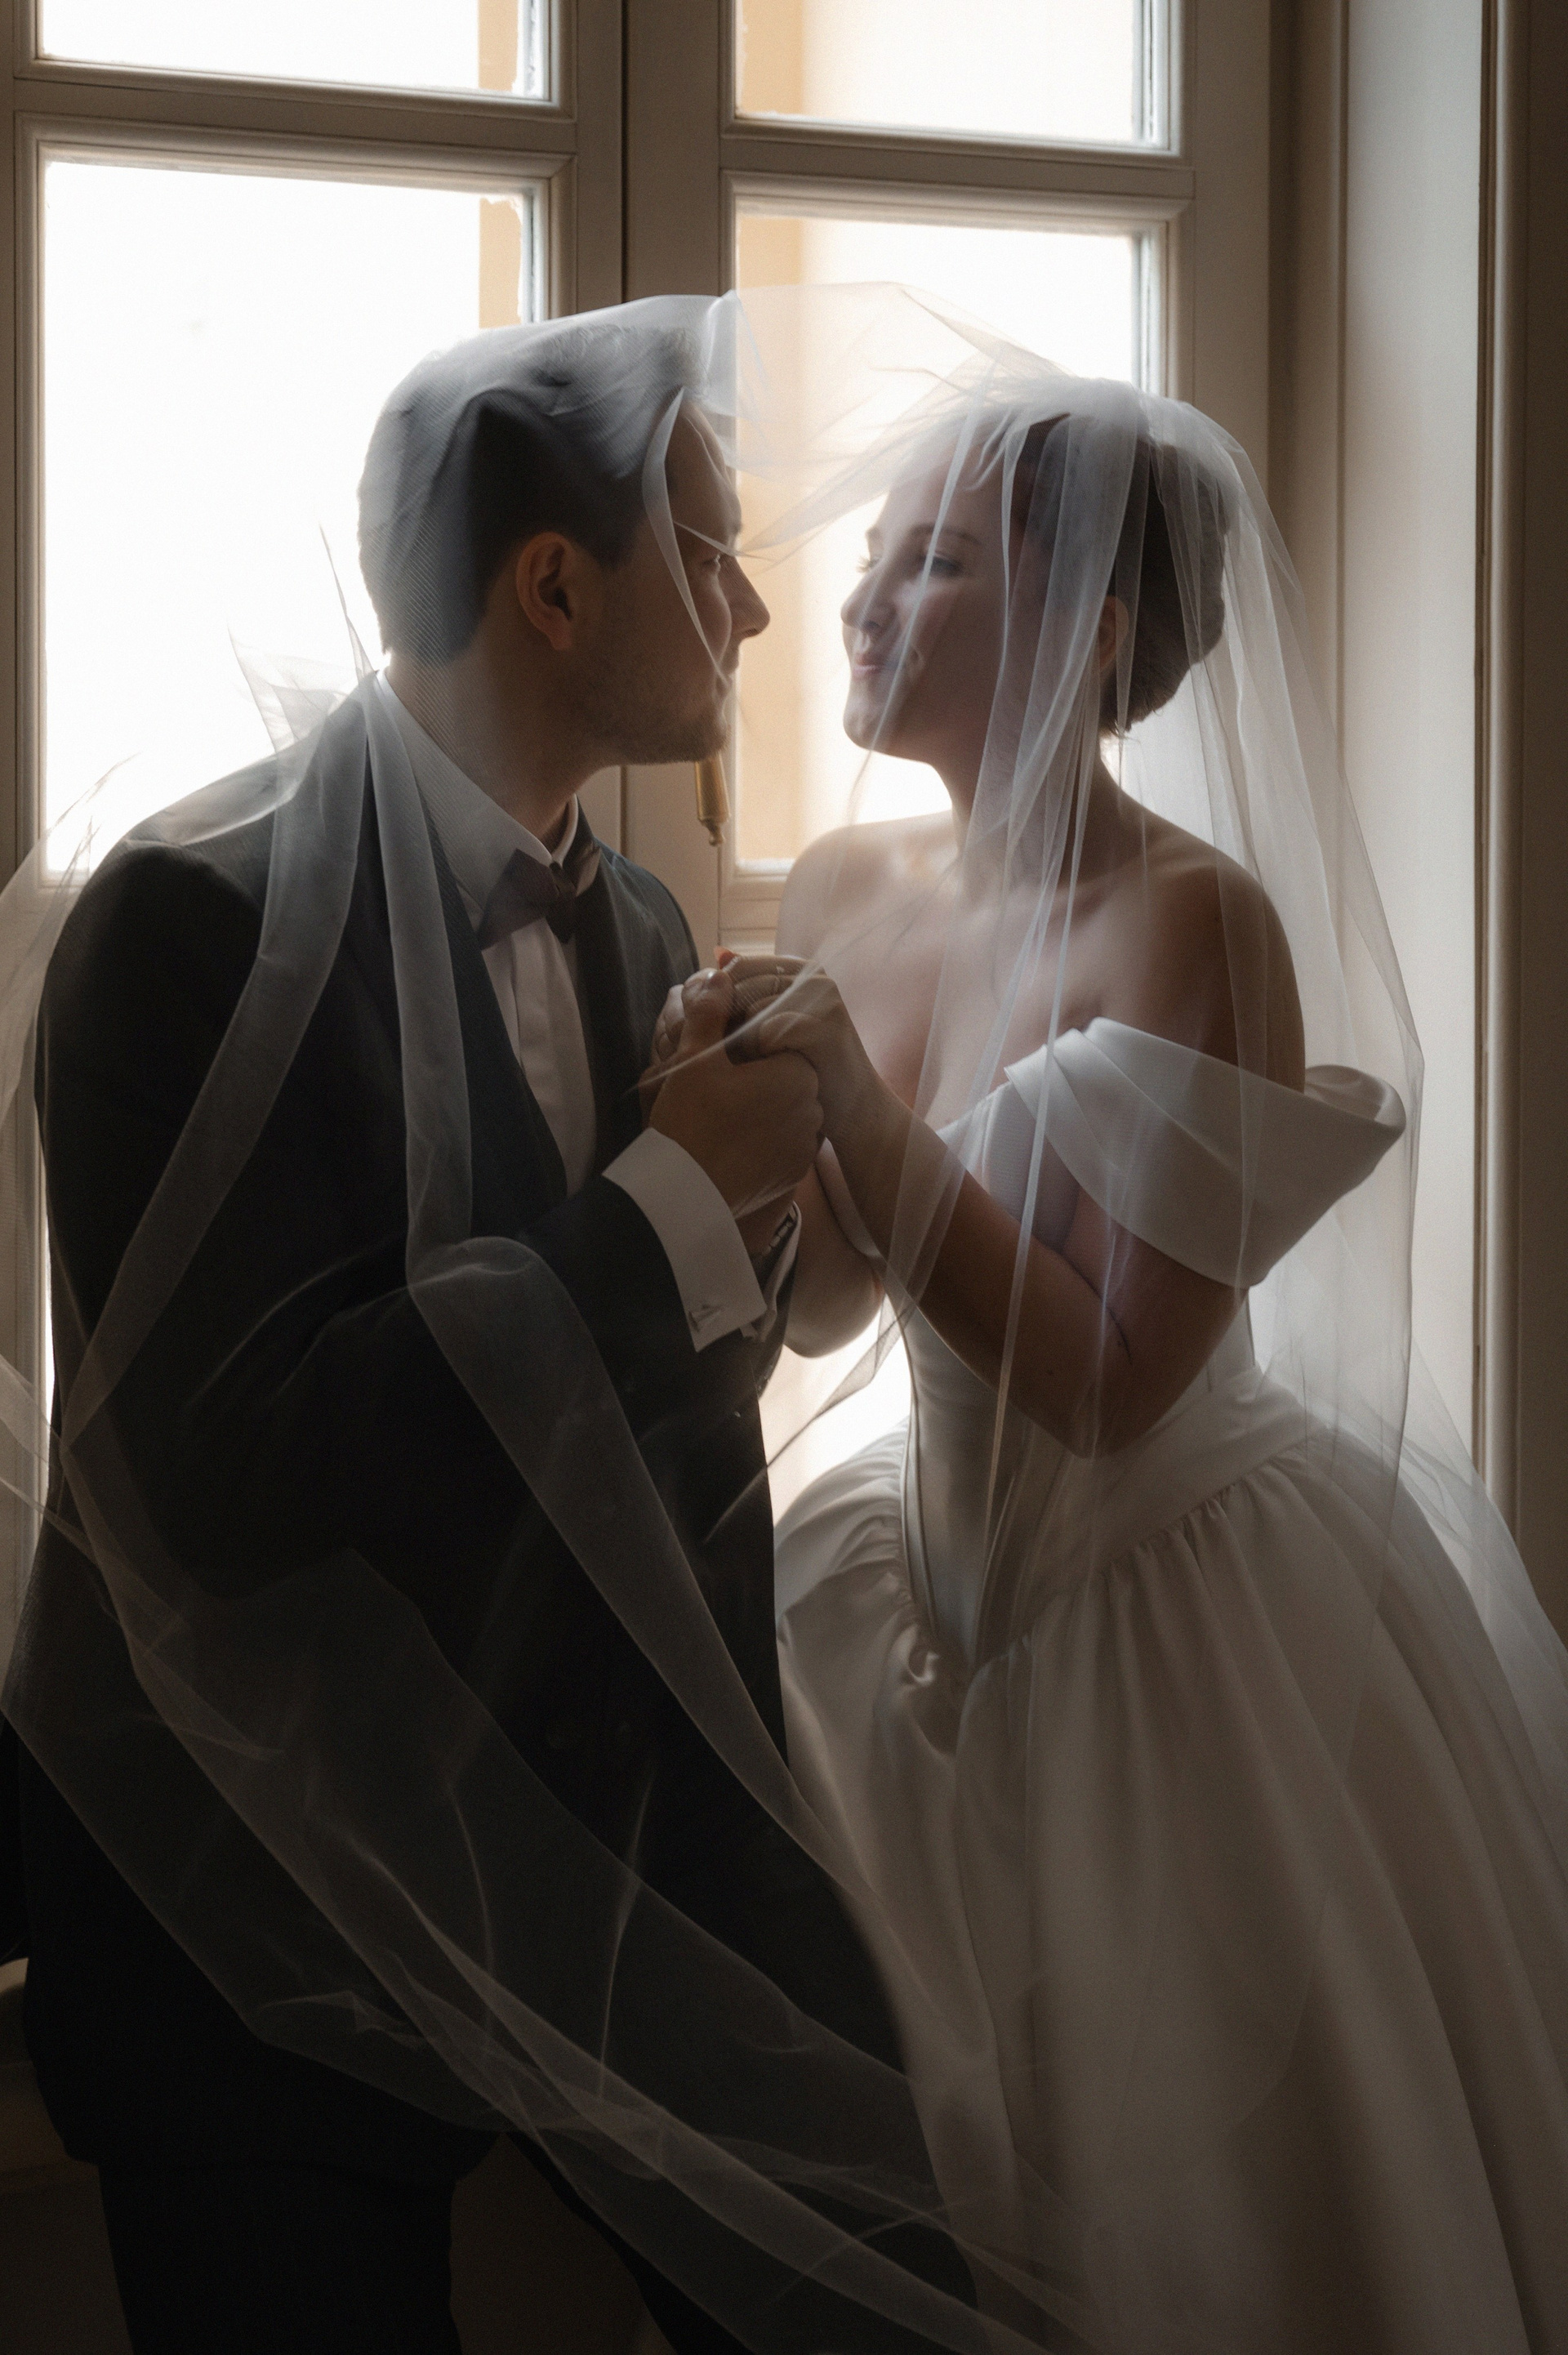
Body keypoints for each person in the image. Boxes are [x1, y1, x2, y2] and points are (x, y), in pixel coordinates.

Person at [3, 309, 968, 2355]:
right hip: (247, 1923)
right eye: (711, 548)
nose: (754, 607)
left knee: (909, 2285)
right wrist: (668, 1202)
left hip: (589, 1855)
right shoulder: (182, 926)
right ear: (553, 585)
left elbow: (649, 1432)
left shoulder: (642, 927)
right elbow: (222, 1487)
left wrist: (753, 1229)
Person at [688, 389, 1568, 2349]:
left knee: (1209, 2206)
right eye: (877, 554)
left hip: (1170, 1595)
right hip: (909, 1584)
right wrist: (732, 1162)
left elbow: (1110, 1383)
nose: (859, 599)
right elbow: (838, 1303)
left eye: (932, 562)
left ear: (1089, 629)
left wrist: (852, 1093)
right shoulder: (843, 888)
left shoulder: (1195, 922)